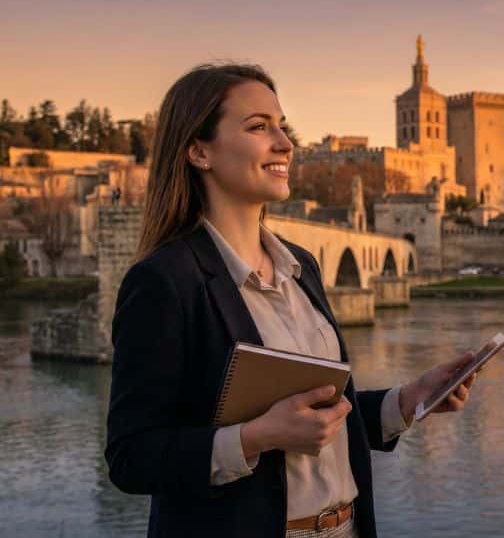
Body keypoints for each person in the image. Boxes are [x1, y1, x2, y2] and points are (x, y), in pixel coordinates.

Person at [104, 63, 477, 538]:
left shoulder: (301, 265)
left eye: (283, 126)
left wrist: (407, 401)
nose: (285, 143)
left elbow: (318, 419)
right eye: (259, 127)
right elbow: (131, 457)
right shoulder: (164, 281)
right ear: (199, 151)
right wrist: (256, 438)